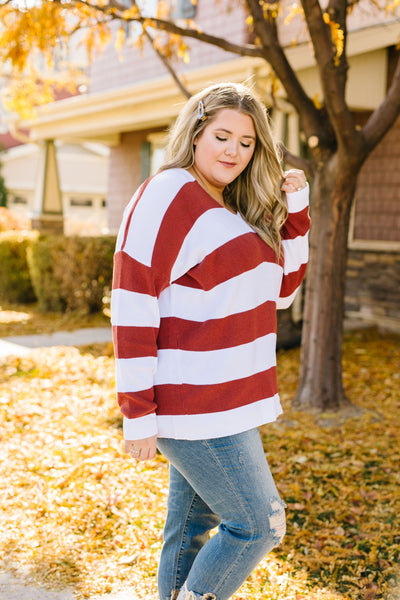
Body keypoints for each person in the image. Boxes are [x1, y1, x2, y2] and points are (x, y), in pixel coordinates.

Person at [111, 82, 310, 600]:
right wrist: (137, 411)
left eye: (247, 143)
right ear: (196, 132)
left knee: (188, 537)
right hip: (194, 404)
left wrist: (298, 208)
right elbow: (133, 300)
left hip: (228, 404)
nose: (233, 151)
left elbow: (284, 291)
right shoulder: (169, 192)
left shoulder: (229, 211)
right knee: (259, 525)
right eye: (223, 135)